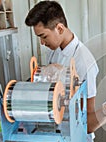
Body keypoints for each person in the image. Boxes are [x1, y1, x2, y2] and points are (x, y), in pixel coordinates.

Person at [25, 1, 99, 132]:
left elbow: (89, 115)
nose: (42, 43)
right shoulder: (54, 49)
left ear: (59, 28)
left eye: (44, 36)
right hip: (56, 126)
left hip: (76, 133)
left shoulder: (85, 62)